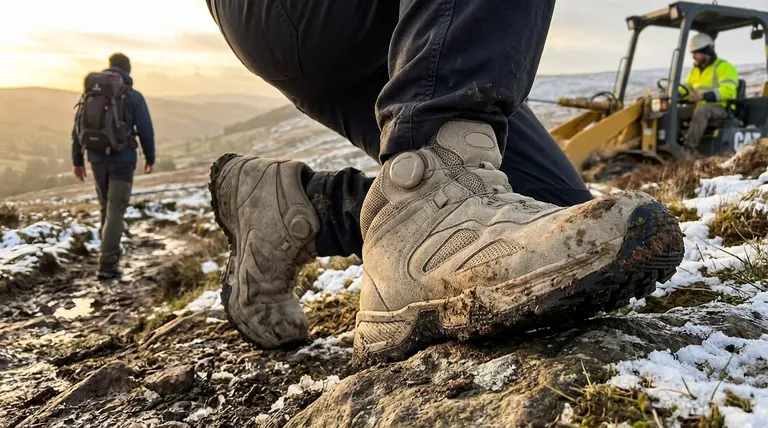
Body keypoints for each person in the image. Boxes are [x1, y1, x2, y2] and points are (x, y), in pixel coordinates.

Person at [205, 0, 685, 365]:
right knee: (452, 171)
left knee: (559, 217)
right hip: (299, 13)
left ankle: (300, 209)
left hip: (397, 29)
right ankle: (431, 184)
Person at [72, 53, 156, 279]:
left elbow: (77, 127)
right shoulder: (132, 96)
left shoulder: (91, 92)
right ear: (128, 70)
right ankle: (107, 265)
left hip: (96, 159)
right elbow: (146, 129)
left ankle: (106, 255)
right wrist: (150, 157)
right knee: (116, 210)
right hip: (123, 160)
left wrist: (77, 160)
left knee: (105, 209)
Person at [682, 33, 740, 152]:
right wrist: (672, 93)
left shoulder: (724, 67)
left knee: (702, 110)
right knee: (674, 111)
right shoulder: (695, 70)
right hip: (701, 106)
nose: (693, 57)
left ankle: (688, 150)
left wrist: (703, 96)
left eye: (695, 53)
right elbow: (686, 88)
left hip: (722, 108)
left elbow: (729, 91)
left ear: (705, 51)